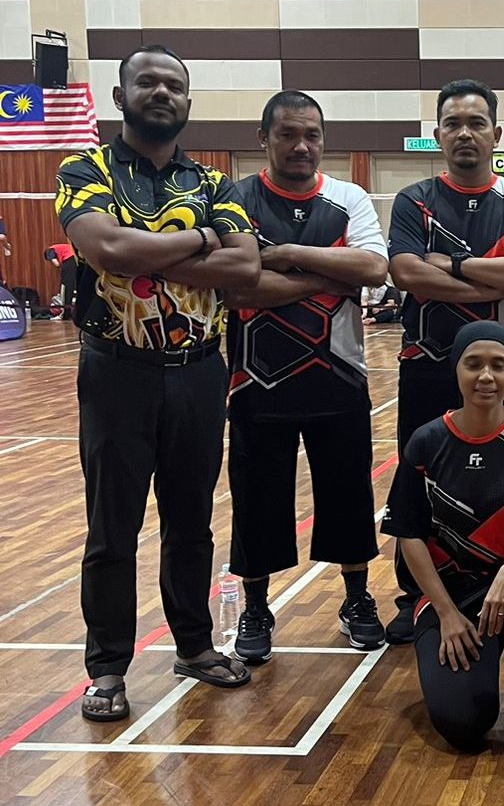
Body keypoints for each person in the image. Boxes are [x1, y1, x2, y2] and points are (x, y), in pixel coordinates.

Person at [54, 45, 260, 721]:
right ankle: (107, 668)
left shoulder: (215, 183)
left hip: (199, 371)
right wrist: (201, 241)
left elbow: (245, 268)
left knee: (191, 521)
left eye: (174, 84)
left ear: (188, 102)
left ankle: (195, 646)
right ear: (121, 97)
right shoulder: (85, 170)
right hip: (116, 372)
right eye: (147, 82)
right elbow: (106, 249)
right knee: (112, 526)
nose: (162, 92)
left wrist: (147, 255)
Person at [222, 90, 390, 662]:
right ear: (263, 139)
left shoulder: (348, 198)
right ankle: (255, 607)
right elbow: (237, 285)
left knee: (349, 495)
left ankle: (357, 599)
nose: (301, 145)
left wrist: (289, 253)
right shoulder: (235, 199)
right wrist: (326, 275)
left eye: (311, 135)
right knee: (256, 500)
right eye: (288, 134)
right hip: (255, 382)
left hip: (338, 378)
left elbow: (372, 268)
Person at [384, 79, 504, 643]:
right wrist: (493, 278)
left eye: (476, 123)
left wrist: (451, 266)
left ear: (496, 134)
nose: (465, 133)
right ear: (438, 135)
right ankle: (417, 596)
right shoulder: (414, 199)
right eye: (453, 124)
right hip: (428, 363)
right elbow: (406, 273)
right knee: (419, 482)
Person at [381, 322, 504, 752]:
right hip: (452, 592)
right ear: (456, 371)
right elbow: (409, 535)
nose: (486, 376)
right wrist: (446, 613)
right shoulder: (426, 441)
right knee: (463, 723)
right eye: (473, 364)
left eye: (499, 365)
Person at [44, 242, 76, 319]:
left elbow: (56, 264)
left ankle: (65, 314)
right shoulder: (63, 247)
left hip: (69, 262)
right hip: (77, 260)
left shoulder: (49, 250)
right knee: (74, 287)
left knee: (66, 288)